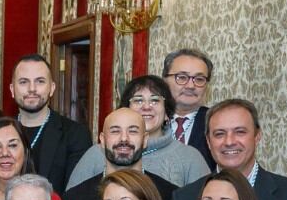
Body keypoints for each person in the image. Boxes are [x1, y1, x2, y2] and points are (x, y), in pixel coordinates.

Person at [68, 75, 209, 189]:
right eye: (138, 100)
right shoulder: (97, 153)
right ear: (125, 109)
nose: (147, 107)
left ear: (167, 112)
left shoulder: (190, 158)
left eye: (155, 101)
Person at [8, 54, 91, 192]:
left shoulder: (76, 135)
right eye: (23, 82)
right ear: (12, 89)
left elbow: (77, 195)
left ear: (52, 88)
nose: (32, 89)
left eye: (40, 81)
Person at [163, 48, 215, 169]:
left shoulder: (216, 122)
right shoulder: (151, 120)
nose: (191, 86)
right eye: (182, 77)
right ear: (164, 80)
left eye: (199, 79)